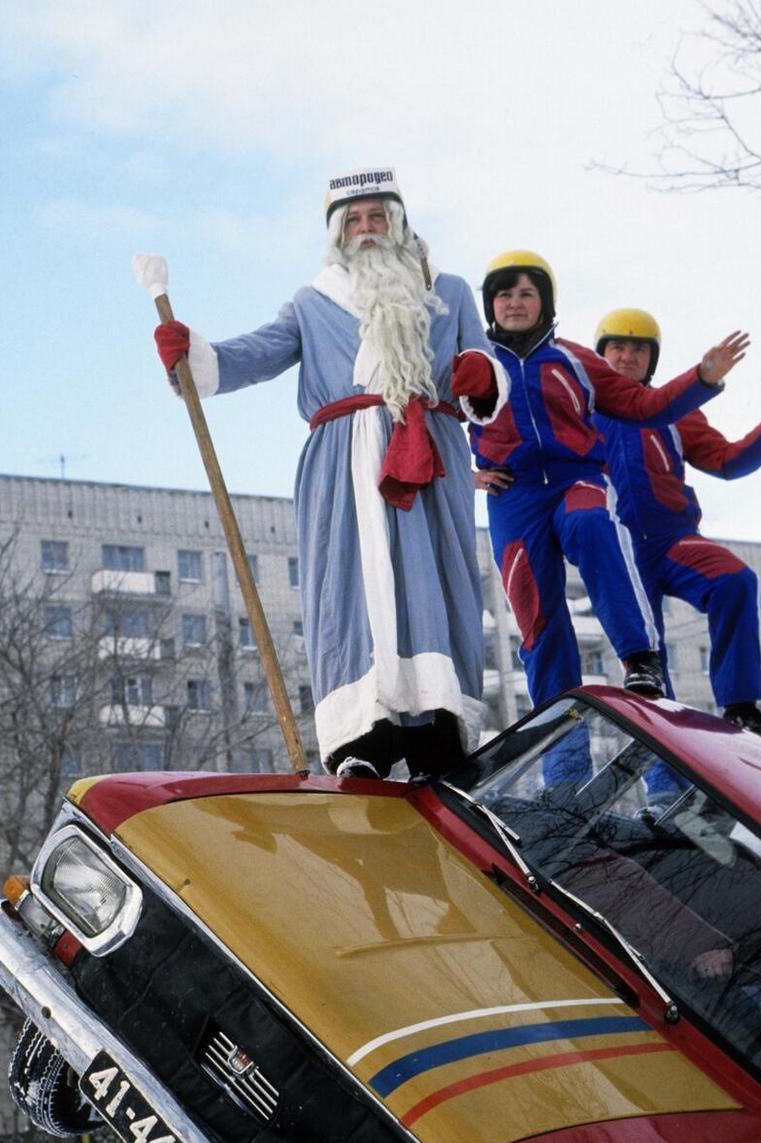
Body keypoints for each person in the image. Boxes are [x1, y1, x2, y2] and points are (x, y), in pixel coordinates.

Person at [153, 167, 507, 780]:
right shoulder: (312, 302)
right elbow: (254, 355)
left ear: (397, 224)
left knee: (437, 578)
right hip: (342, 463)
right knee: (348, 584)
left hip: (431, 449)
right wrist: (194, 356)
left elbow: (482, 361)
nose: (366, 229)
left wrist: (480, 372)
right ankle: (360, 735)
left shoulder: (447, 289)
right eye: (353, 220)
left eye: (377, 217)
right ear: (337, 234)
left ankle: (438, 726)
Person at [456, 252, 750, 713]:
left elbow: (646, 406)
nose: (515, 303)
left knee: (594, 522)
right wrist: (465, 475)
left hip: (577, 479)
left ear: (545, 301)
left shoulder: (574, 359)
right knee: (537, 614)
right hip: (513, 495)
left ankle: (640, 659)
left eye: (527, 294)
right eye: (504, 294)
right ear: (490, 304)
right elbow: (429, 420)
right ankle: (562, 766)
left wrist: (702, 379)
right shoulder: (475, 364)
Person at [594, 307, 761, 740]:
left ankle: (741, 705)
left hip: (673, 541)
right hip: (619, 552)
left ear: (651, 359)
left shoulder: (677, 410)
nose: (627, 357)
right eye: (617, 347)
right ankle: (665, 786)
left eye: (639, 349)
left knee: (735, 581)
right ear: (601, 354)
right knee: (648, 670)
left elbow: (726, 462)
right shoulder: (580, 411)